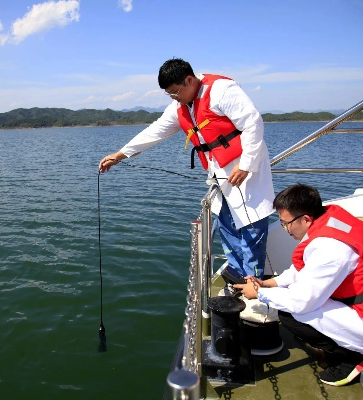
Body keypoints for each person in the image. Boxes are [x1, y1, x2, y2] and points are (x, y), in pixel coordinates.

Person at [98, 58, 275, 278]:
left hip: (244, 169)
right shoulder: (180, 106)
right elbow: (155, 131)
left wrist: (247, 164)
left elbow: (252, 122)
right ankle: (238, 277)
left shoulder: (222, 90)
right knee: (227, 224)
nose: (174, 98)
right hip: (219, 173)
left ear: (189, 80)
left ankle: (254, 284)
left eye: (175, 92)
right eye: (169, 94)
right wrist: (120, 155)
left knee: (251, 228)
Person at [234, 183, 363, 386]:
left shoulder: (331, 249)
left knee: (291, 314)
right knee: (288, 299)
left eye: (286, 223)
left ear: (305, 219)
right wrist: (268, 283)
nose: (286, 229)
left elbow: (300, 302)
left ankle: (352, 357)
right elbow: (304, 271)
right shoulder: (330, 221)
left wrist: (259, 293)